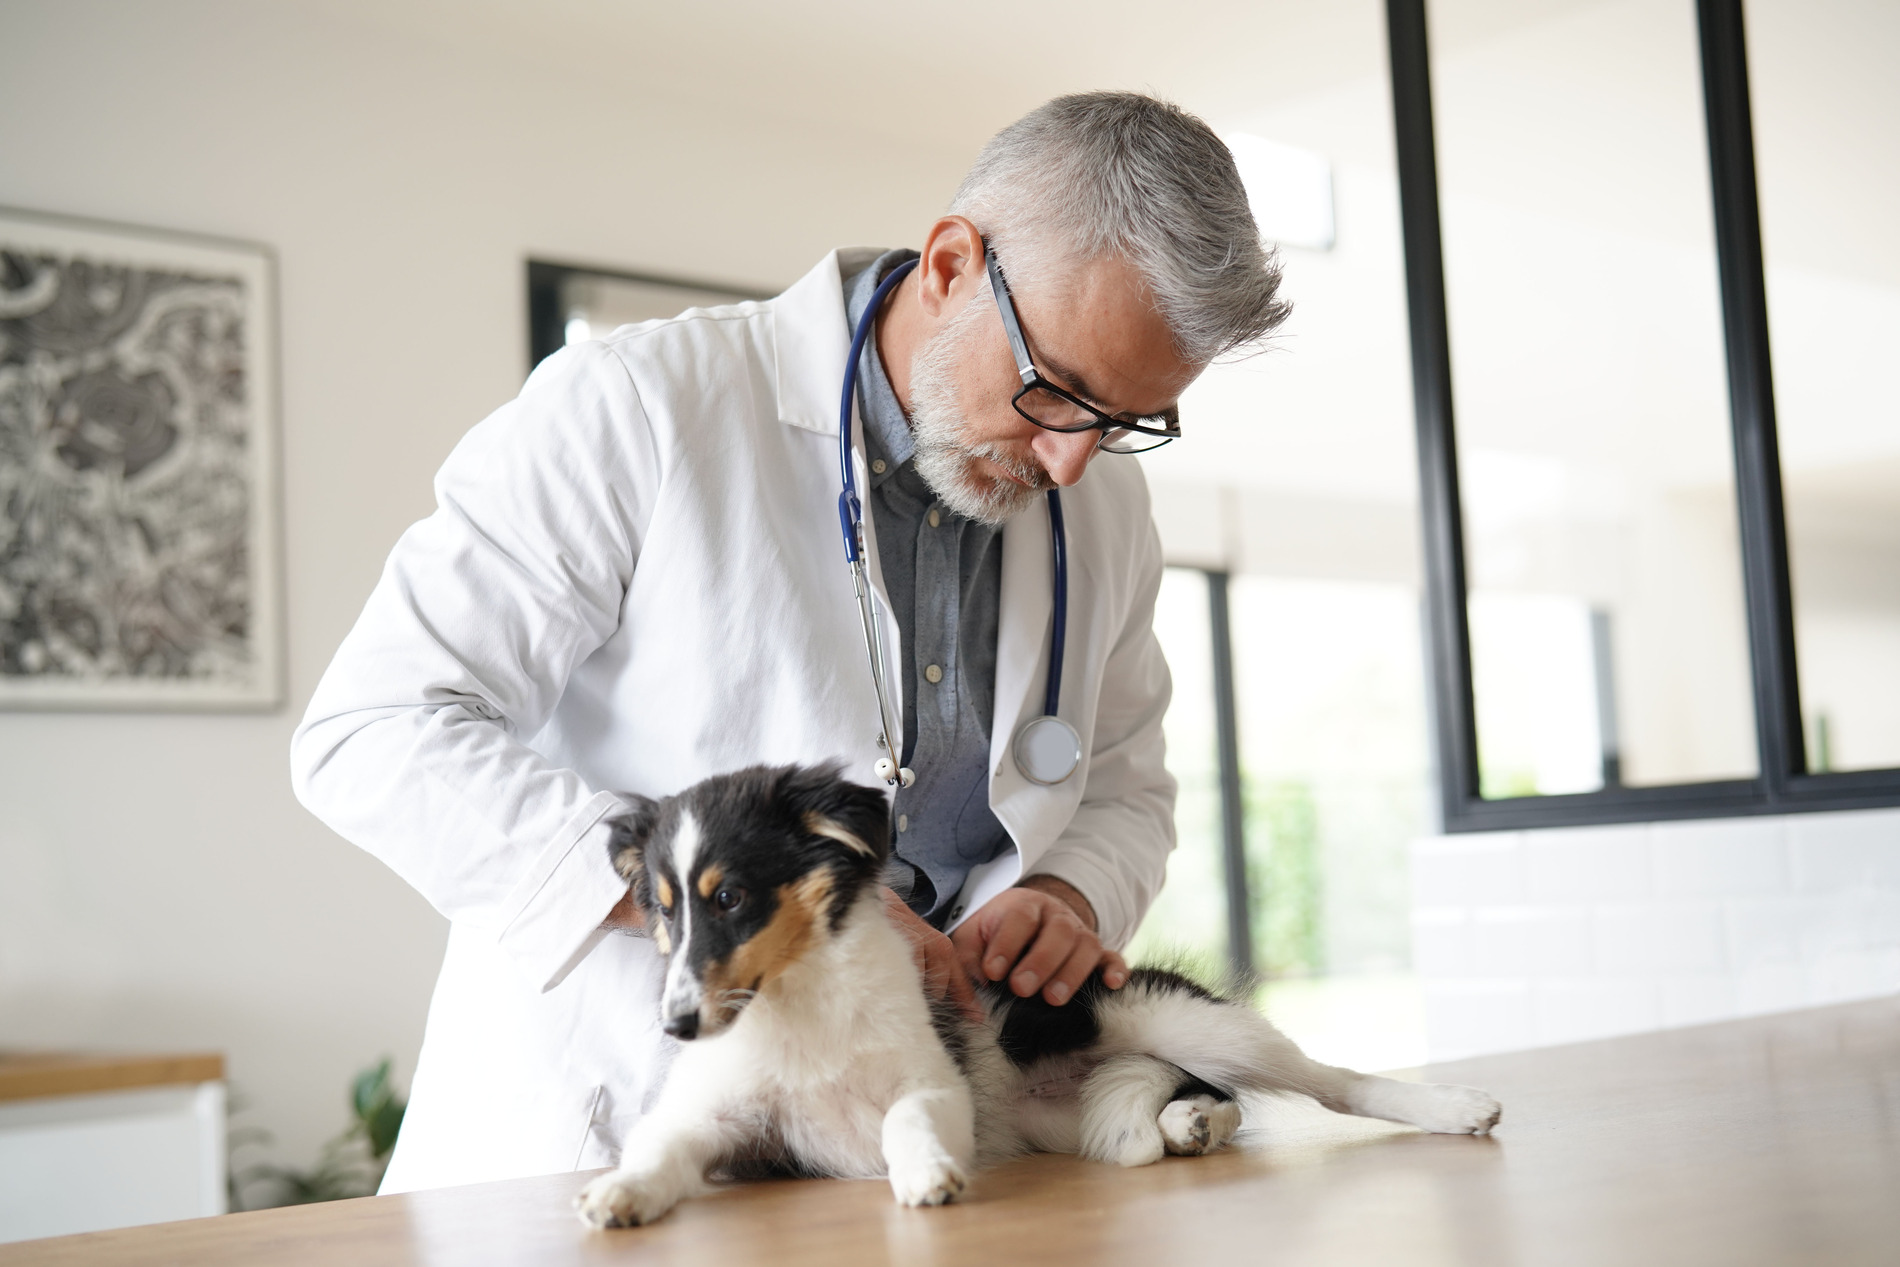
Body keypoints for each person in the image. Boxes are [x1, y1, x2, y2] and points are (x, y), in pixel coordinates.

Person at [291, 90, 1289, 1192]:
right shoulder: (640, 406)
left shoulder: (1101, 508)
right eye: (1056, 393)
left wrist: (1068, 896)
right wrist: (756, 913)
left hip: (917, 1150)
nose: (1071, 465)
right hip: (620, 1135)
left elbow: (1125, 788)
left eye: (1125, 422)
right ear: (953, 264)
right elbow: (372, 729)